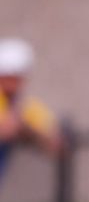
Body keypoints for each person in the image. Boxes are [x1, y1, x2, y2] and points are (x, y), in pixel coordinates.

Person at [0, 38, 60, 181]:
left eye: (15, 77)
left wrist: (25, 130)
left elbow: (55, 144)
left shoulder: (26, 107)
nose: (10, 83)